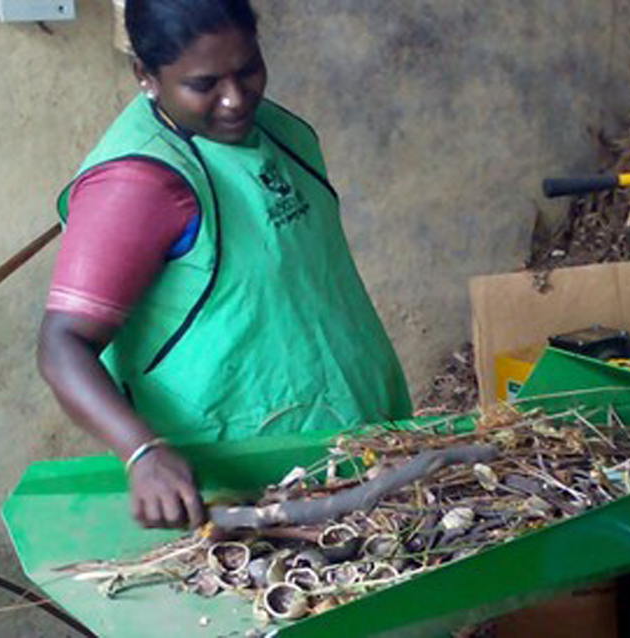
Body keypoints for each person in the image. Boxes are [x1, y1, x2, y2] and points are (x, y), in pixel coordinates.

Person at [37, 0, 412, 531]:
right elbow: (61, 345)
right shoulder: (139, 184)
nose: (236, 99)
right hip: (244, 488)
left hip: (356, 435)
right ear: (146, 76)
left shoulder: (280, 133)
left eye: (248, 69)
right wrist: (141, 452)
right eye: (204, 83)